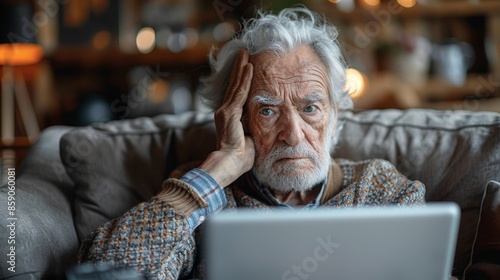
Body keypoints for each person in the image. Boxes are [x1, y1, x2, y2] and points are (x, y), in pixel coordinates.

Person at [78, 6, 425, 279]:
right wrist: (214, 174)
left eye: (310, 108)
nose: (293, 133)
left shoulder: (379, 189)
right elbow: (109, 272)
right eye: (268, 111)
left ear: (335, 114)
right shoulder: (202, 197)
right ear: (236, 118)